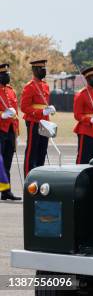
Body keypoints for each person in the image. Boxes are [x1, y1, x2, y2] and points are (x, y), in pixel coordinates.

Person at [20, 59, 55, 176]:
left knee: (42, 152)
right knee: (32, 152)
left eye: (44, 68)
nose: (44, 71)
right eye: (41, 69)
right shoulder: (29, 86)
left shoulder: (45, 85)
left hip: (45, 122)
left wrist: (49, 109)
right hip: (33, 121)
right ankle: (28, 179)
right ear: (35, 70)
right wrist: (41, 111)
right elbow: (24, 107)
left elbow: (44, 104)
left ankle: (39, 179)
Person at [73, 66, 93, 164]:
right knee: (83, 159)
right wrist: (90, 119)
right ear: (89, 78)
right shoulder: (81, 94)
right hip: (86, 131)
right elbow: (77, 115)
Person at [0, 63, 20, 200]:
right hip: (0, 129)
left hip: (10, 130)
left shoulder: (11, 91)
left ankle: (6, 191)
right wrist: (1, 115)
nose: (7, 76)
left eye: (7, 74)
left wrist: (16, 131)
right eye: (3, 74)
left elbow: (16, 112)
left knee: (7, 162)